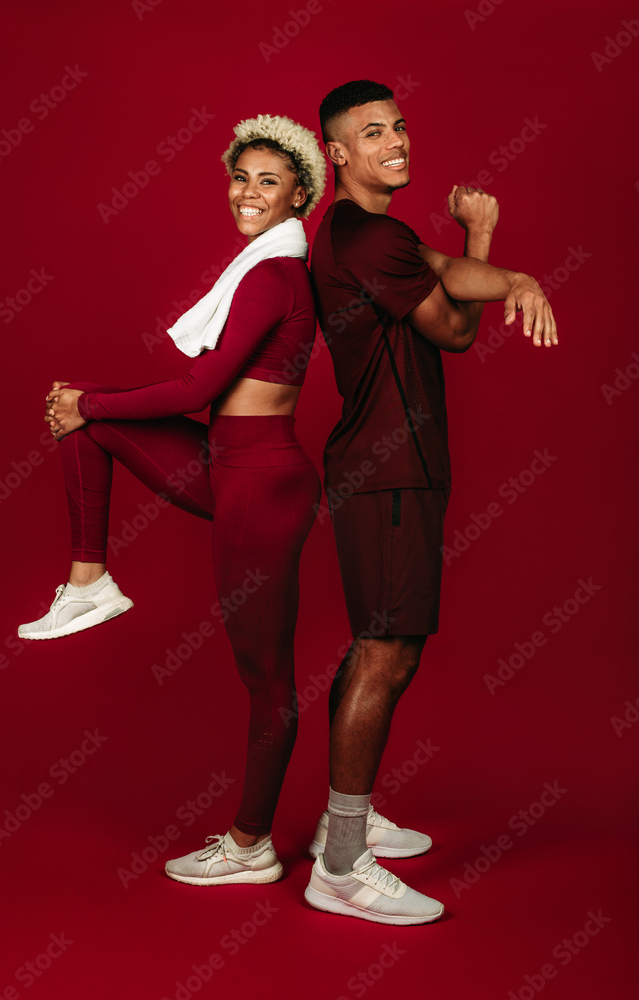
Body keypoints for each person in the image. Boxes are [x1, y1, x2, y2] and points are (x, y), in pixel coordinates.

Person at [17, 114, 327, 885]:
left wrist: (92, 401)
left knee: (264, 677)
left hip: (262, 482)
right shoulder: (263, 267)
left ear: (299, 198)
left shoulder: (274, 275)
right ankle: (89, 584)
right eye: (241, 176)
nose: (248, 192)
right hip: (226, 463)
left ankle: (251, 844)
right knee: (84, 423)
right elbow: (194, 402)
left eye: (269, 181)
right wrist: (88, 404)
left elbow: (201, 387)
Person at [305, 80, 557, 925]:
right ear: (338, 153)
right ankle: (341, 862)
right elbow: (454, 322)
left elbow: (449, 298)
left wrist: (481, 244)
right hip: (388, 474)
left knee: (374, 644)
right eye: (372, 133)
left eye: (401, 125)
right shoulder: (361, 233)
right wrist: (512, 270)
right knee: (388, 654)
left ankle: (343, 817)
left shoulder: (385, 236)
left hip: (398, 470)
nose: (397, 141)